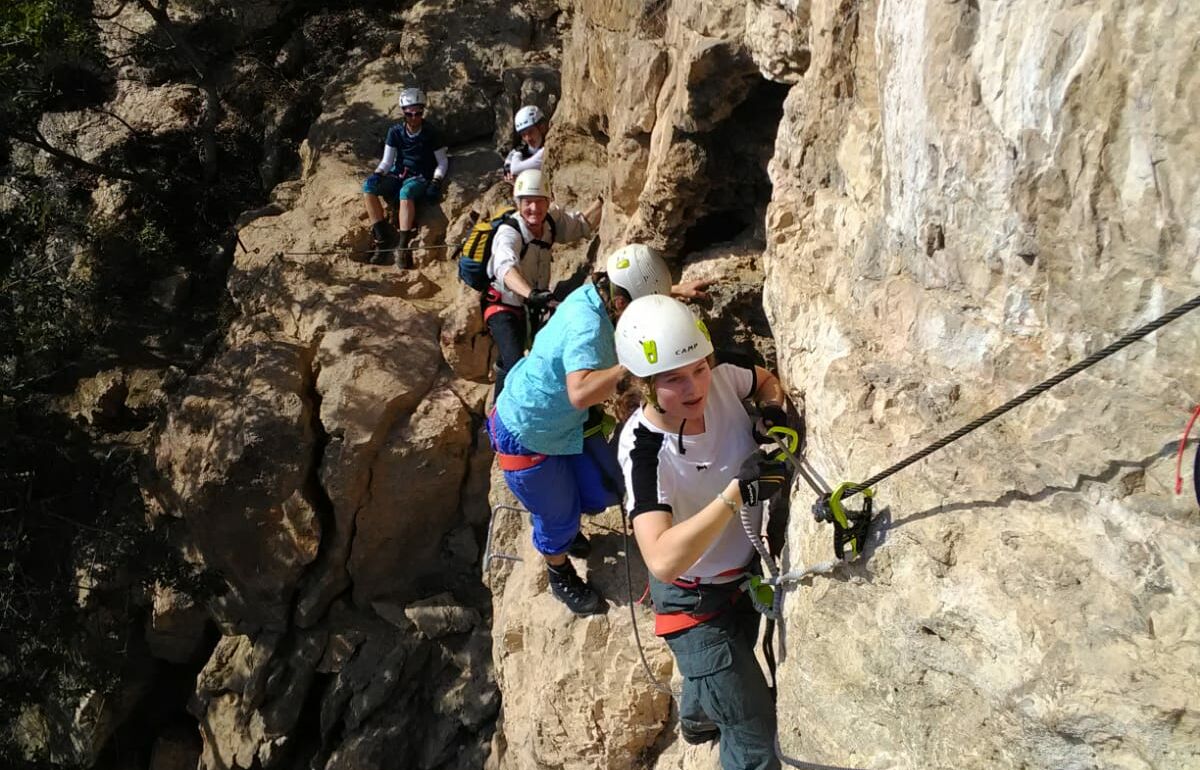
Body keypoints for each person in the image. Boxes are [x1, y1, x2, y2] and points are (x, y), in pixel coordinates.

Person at [614, 294, 791, 769]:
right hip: (693, 603)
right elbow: (662, 558)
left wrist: (770, 414)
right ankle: (711, 715)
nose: (694, 387)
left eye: (698, 367)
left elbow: (767, 381)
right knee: (754, 736)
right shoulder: (645, 450)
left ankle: (697, 719)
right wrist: (737, 492)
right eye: (673, 379)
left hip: (737, 575)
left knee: (715, 682)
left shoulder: (722, 377)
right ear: (645, 385)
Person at [486, 244, 704, 616]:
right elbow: (581, 391)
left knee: (607, 486)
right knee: (558, 518)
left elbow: (637, 300)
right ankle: (559, 571)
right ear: (621, 304)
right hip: (528, 431)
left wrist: (674, 292)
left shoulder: (601, 294)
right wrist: (629, 364)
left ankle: (567, 528)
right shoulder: (588, 324)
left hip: (561, 426)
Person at [486, 169, 602, 397]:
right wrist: (530, 294)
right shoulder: (508, 233)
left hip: (532, 304)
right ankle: (500, 415)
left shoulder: (550, 221)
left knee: (522, 355)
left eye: (540, 202)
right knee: (514, 362)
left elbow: (579, 226)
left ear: (548, 202)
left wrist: (603, 201)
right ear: (518, 203)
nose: (534, 209)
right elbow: (504, 269)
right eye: (528, 202)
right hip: (504, 305)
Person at [361, 87, 449, 268]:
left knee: (406, 192)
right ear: (404, 113)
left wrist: (436, 181)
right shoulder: (395, 132)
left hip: (420, 175)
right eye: (410, 114)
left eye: (418, 113)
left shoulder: (431, 132)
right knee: (368, 188)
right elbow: (387, 161)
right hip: (398, 172)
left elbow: (442, 161)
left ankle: (402, 246)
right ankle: (381, 237)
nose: (414, 118)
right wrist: (378, 174)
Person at [503, 105, 548, 181]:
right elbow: (510, 157)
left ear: (542, 128)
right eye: (523, 135)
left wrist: (517, 154)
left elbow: (515, 169)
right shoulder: (525, 149)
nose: (528, 139)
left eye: (530, 132)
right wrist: (507, 166)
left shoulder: (547, 149)